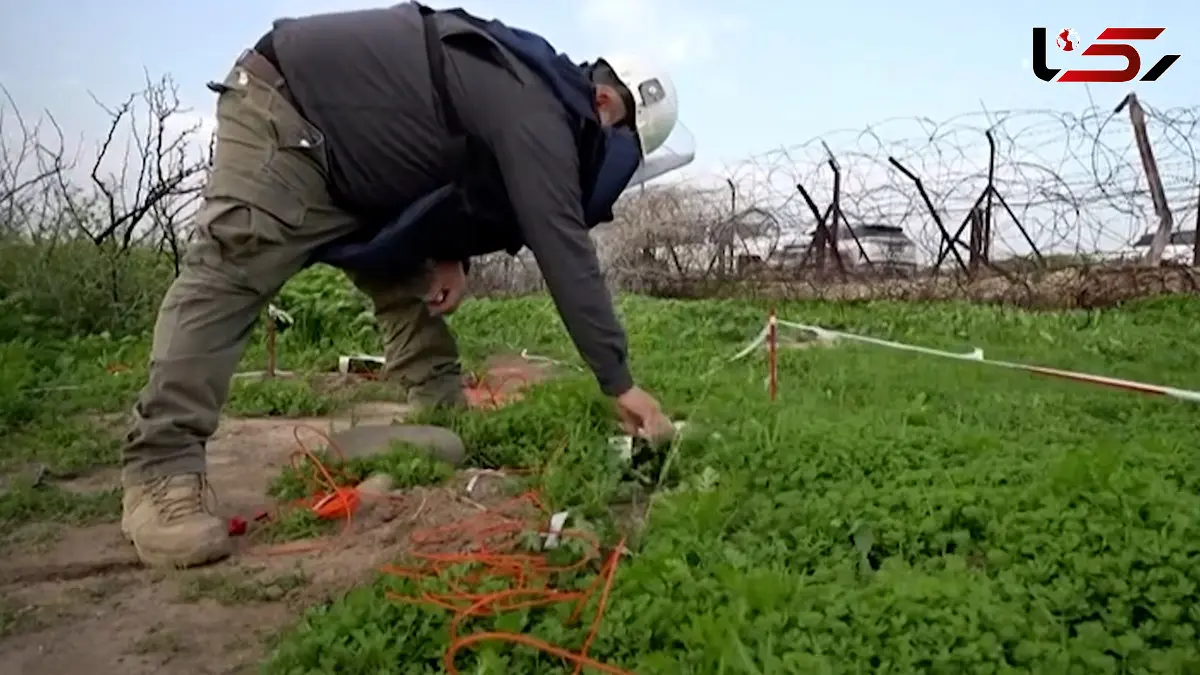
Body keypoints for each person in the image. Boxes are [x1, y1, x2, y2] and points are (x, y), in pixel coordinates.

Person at [119, 2, 681, 568]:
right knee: (233, 268)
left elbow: (457, 161)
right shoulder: (538, 105)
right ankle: (159, 475)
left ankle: (441, 418)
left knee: (404, 272)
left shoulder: (525, 85)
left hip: (358, 164)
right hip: (289, 113)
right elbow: (560, 239)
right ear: (605, 103)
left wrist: (448, 252)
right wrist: (619, 381)